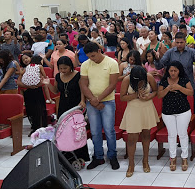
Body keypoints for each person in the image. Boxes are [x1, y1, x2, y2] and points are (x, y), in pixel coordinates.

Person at [80, 42, 120, 170]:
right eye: (89, 57)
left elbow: (112, 84)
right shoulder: (86, 64)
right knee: (95, 131)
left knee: (109, 130)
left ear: (99, 51)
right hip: (91, 102)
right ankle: (98, 157)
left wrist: (99, 99)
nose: (92, 59)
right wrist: (93, 100)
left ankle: (112, 156)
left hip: (107, 101)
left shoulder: (111, 63)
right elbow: (83, 84)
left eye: (93, 56)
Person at [43, 56, 90, 161]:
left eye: (65, 68)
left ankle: (81, 155)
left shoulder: (78, 75)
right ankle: (67, 155)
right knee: (64, 131)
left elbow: (83, 89)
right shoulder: (58, 76)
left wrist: (83, 101)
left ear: (70, 67)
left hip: (76, 106)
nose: (63, 70)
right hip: (63, 106)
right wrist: (47, 84)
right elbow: (55, 91)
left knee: (77, 131)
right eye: (61, 68)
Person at [119, 66, 159, 177]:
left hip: (147, 108)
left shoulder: (149, 77)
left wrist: (149, 96)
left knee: (146, 136)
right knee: (132, 138)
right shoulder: (127, 79)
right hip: (133, 109)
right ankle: (131, 164)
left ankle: (145, 161)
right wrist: (136, 95)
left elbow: (155, 91)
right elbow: (122, 97)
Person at [157, 61, 193, 172]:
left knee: (182, 134)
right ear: (168, 71)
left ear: (179, 71)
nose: (173, 73)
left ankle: (184, 157)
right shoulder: (164, 81)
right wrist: (167, 88)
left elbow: (191, 92)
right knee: (172, 135)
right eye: (171, 71)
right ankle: (172, 157)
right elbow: (159, 95)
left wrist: (179, 88)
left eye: (175, 71)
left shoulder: (184, 80)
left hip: (183, 111)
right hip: (167, 112)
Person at [17, 55, 48, 136]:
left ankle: (41, 128)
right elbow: (19, 82)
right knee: (31, 110)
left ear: (31, 58)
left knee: (39, 110)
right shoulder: (24, 70)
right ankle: (34, 128)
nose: (25, 60)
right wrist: (28, 86)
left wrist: (38, 84)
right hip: (28, 91)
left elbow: (44, 80)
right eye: (23, 60)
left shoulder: (37, 68)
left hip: (37, 91)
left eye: (27, 58)